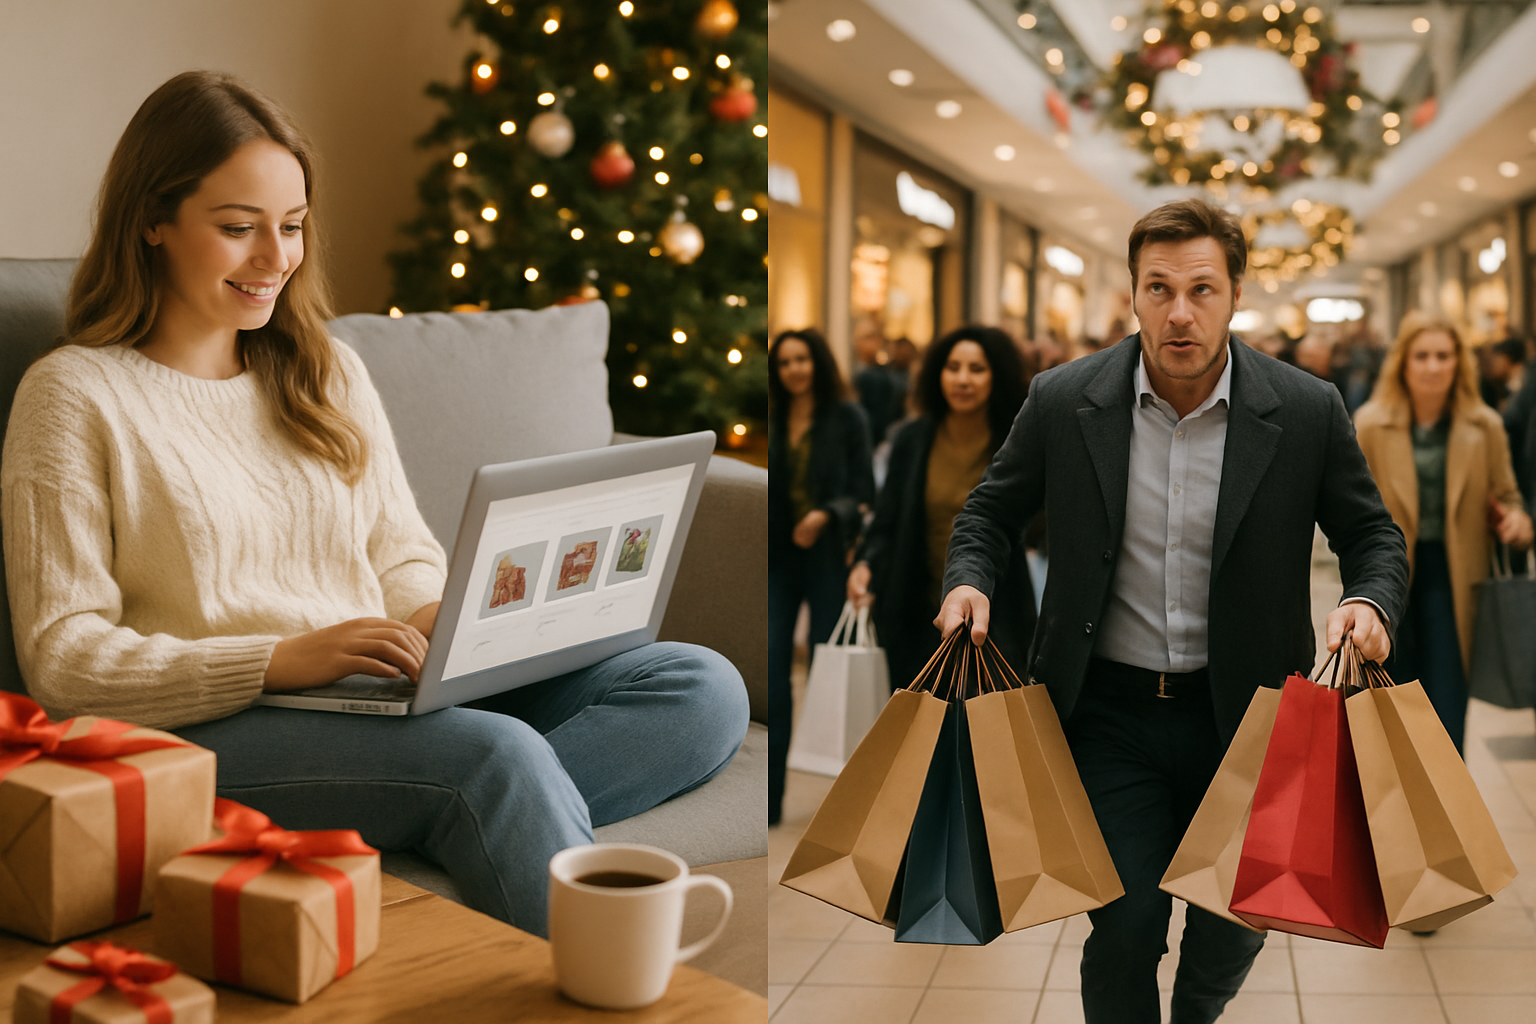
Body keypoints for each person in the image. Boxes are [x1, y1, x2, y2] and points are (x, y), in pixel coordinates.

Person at [0, 71, 748, 937]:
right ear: (152, 221)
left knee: (699, 684)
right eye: (239, 228)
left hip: (375, 693)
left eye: (291, 226)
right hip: (216, 725)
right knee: (492, 758)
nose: (276, 258)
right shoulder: (74, 395)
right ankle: (513, 849)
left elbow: (397, 549)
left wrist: (448, 624)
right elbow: (62, 660)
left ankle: (460, 816)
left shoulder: (323, 368)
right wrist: (280, 659)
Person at [935, 199, 1409, 1024]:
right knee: (1124, 923)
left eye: (1201, 289)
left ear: (1234, 297)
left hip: (1252, 718)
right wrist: (968, 580)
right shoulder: (1064, 399)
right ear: (1133, 295)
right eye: (1159, 289)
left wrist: (1369, 600)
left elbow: (1372, 532)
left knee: (1234, 926)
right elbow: (988, 513)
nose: (1179, 313)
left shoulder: (1303, 410)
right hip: (1108, 714)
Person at [1354, 314, 1533, 753]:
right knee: (1388, 703)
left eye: (1443, 356)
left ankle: (1445, 811)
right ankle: (1389, 813)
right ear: (1403, 363)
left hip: (1455, 581)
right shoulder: (1372, 424)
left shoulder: (1483, 425)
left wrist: (1517, 522)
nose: (1433, 366)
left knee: (1447, 706)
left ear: (1459, 363)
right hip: (1390, 579)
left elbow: (1509, 496)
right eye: (1422, 356)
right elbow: (1352, 509)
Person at [847, 326, 1034, 689]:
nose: (963, 379)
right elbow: (888, 516)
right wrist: (866, 563)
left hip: (995, 612)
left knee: (986, 730)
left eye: (977, 369)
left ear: (998, 375)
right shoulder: (913, 438)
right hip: (917, 607)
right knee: (921, 731)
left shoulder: (1015, 440)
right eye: (953, 367)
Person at [767, 328, 873, 826]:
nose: (794, 370)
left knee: (831, 675)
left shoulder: (846, 417)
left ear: (818, 363)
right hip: (777, 560)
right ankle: (769, 803)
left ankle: (842, 802)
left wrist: (827, 514)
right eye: (785, 362)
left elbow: (864, 491)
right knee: (772, 675)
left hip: (829, 557)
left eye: (801, 359)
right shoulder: (771, 416)